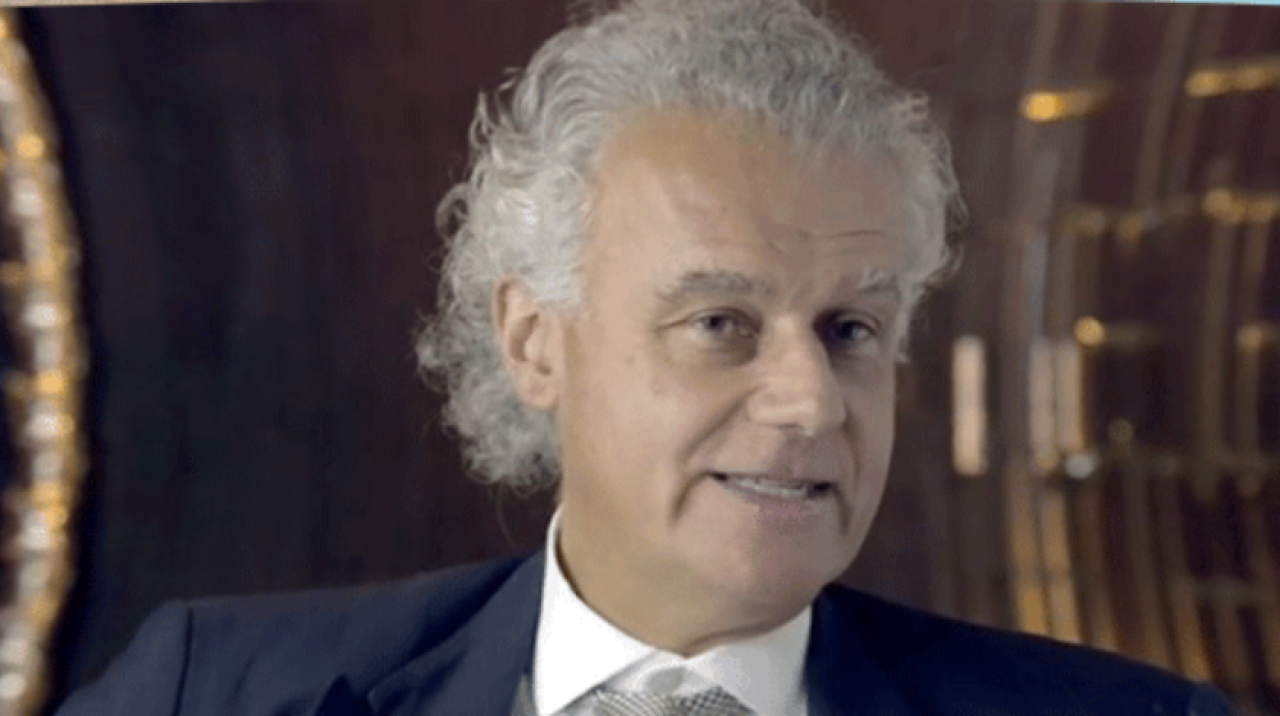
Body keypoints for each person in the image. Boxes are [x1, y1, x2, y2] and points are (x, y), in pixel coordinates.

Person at [57, 1, 1238, 714]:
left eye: (849, 329)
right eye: (720, 323)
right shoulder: (211, 689)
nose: (809, 401)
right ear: (534, 341)